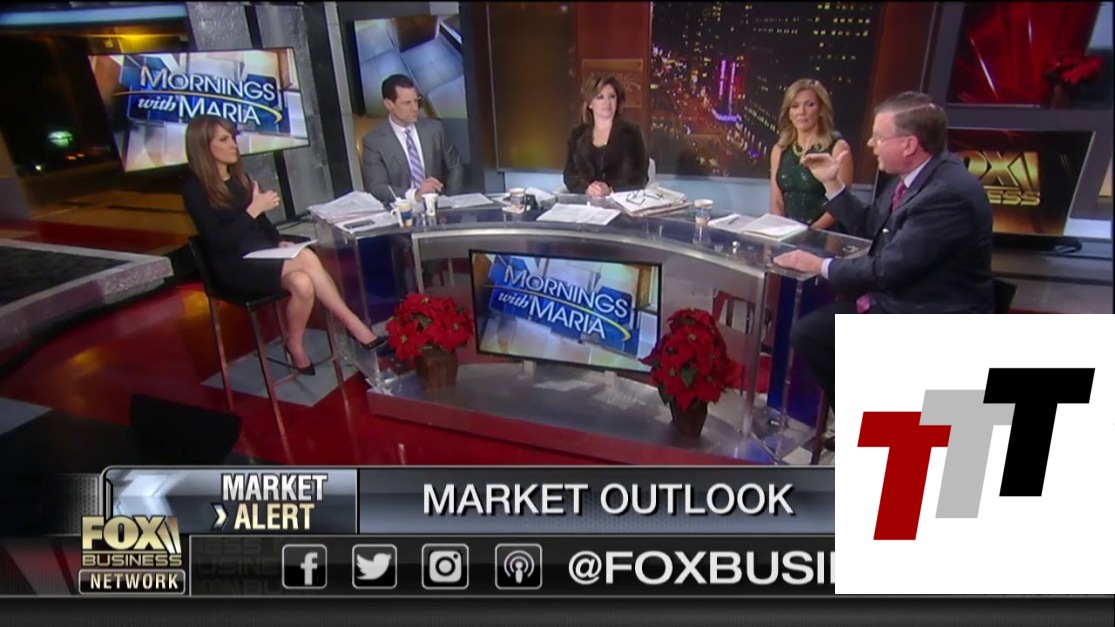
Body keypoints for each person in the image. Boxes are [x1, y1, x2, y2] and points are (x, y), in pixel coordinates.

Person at [773, 91, 995, 436]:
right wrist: (832, 182)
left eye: (879, 137)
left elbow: (887, 268)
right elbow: (869, 227)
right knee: (809, 333)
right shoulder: (913, 177)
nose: (870, 144)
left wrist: (820, 266)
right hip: (900, 296)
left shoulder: (946, 194)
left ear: (909, 144)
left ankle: (881, 428)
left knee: (814, 335)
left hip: (929, 314)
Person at [183, 115, 386, 375]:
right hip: (233, 266)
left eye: (233, 137)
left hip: (262, 256)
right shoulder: (194, 190)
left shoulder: (240, 179)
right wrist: (253, 209)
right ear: (203, 146)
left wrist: (278, 242)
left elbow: (263, 225)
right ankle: (354, 325)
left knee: (303, 283)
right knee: (307, 259)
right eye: (224, 139)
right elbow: (220, 242)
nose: (234, 144)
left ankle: (295, 343)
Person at [360, 74, 464, 205]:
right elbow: (377, 187)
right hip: (401, 209)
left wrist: (450, 201)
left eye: (416, 101)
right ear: (389, 104)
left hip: (438, 206)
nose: (415, 108)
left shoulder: (434, 129)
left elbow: (455, 166)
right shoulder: (374, 142)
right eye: (407, 103)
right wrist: (415, 195)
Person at [769, 79, 853, 230]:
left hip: (826, 234)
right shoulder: (780, 149)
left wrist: (810, 232)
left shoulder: (838, 148)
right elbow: (776, 200)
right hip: (788, 234)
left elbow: (841, 203)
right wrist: (779, 231)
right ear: (789, 113)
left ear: (821, 110)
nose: (801, 112)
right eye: (795, 106)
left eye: (809, 105)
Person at [563, 75, 650, 197]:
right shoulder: (576, 135)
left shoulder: (632, 132)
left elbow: (641, 176)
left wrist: (611, 188)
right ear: (590, 103)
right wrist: (587, 188)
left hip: (621, 202)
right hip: (585, 203)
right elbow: (569, 175)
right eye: (600, 97)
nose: (607, 102)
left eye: (612, 97)